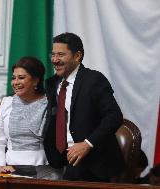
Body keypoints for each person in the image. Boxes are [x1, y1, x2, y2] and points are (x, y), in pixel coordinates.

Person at [43, 32, 125, 182]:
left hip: (96, 165)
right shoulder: (51, 83)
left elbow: (114, 116)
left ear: (77, 56)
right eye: (53, 55)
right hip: (62, 163)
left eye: (60, 54)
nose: (55, 60)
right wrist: (3, 104)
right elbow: (35, 101)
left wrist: (87, 143)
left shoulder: (94, 80)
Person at [0, 57, 63, 179]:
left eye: (21, 78)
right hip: (11, 171)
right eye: (13, 78)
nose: (15, 82)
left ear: (36, 81)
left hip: (47, 172)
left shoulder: (53, 103)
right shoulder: (6, 104)